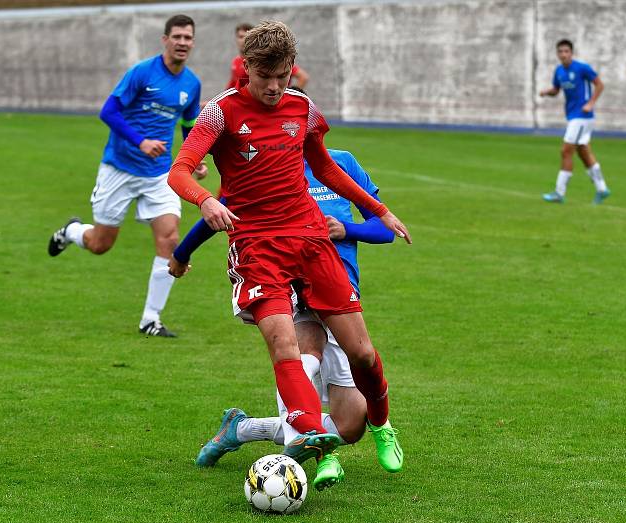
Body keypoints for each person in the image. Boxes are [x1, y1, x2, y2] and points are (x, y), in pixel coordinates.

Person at [167, 21, 411, 491]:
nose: (276, 87)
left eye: (283, 75)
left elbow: (323, 166)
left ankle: (380, 423)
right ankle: (307, 431)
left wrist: (379, 209)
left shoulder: (302, 108)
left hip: (311, 239)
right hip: (257, 245)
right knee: (286, 346)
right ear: (247, 70)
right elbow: (179, 171)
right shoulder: (220, 113)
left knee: (361, 352)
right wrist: (207, 200)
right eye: (266, 77)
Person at [168, 149, 397, 472]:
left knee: (350, 425)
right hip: (291, 286)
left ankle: (242, 428)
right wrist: (181, 253)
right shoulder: (264, 165)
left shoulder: (341, 163)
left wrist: (347, 229)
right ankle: (309, 457)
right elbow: (219, 214)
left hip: (341, 294)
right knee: (300, 355)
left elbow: (384, 229)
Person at [47, 15, 206, 337]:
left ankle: (151, 319)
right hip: (119, 168)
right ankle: (73, 231)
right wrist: (141, 141)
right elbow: (108, 111)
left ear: (192, 42)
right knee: (101, 244)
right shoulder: (142, 73)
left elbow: (189, 126)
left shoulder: (191, 83)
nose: (182, 42)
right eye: (177, 36)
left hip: (159, 174)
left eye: (188, 37)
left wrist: (195, 160)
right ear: (165, 40)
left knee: (170, 239)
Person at [539, 39, 611, 204]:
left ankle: (559, 192)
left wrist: (591, 103)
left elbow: (599, 84)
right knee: (584, 153)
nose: (563, 54)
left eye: (566, 51)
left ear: (571, 53)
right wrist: (546, 92)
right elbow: (557, 90)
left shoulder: (582, 68)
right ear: (557, 54)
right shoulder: (559, 71)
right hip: (573, 115)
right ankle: (602, 189)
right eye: (560, 51)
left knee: (565, 151)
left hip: (582, 116)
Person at [226, 22, 309, 90]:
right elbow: (233, 84)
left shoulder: (270, 59)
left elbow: (303, 76)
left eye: (245, 36)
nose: (243, 40)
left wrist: (290, 95)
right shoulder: (236, 62)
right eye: (240, 37)